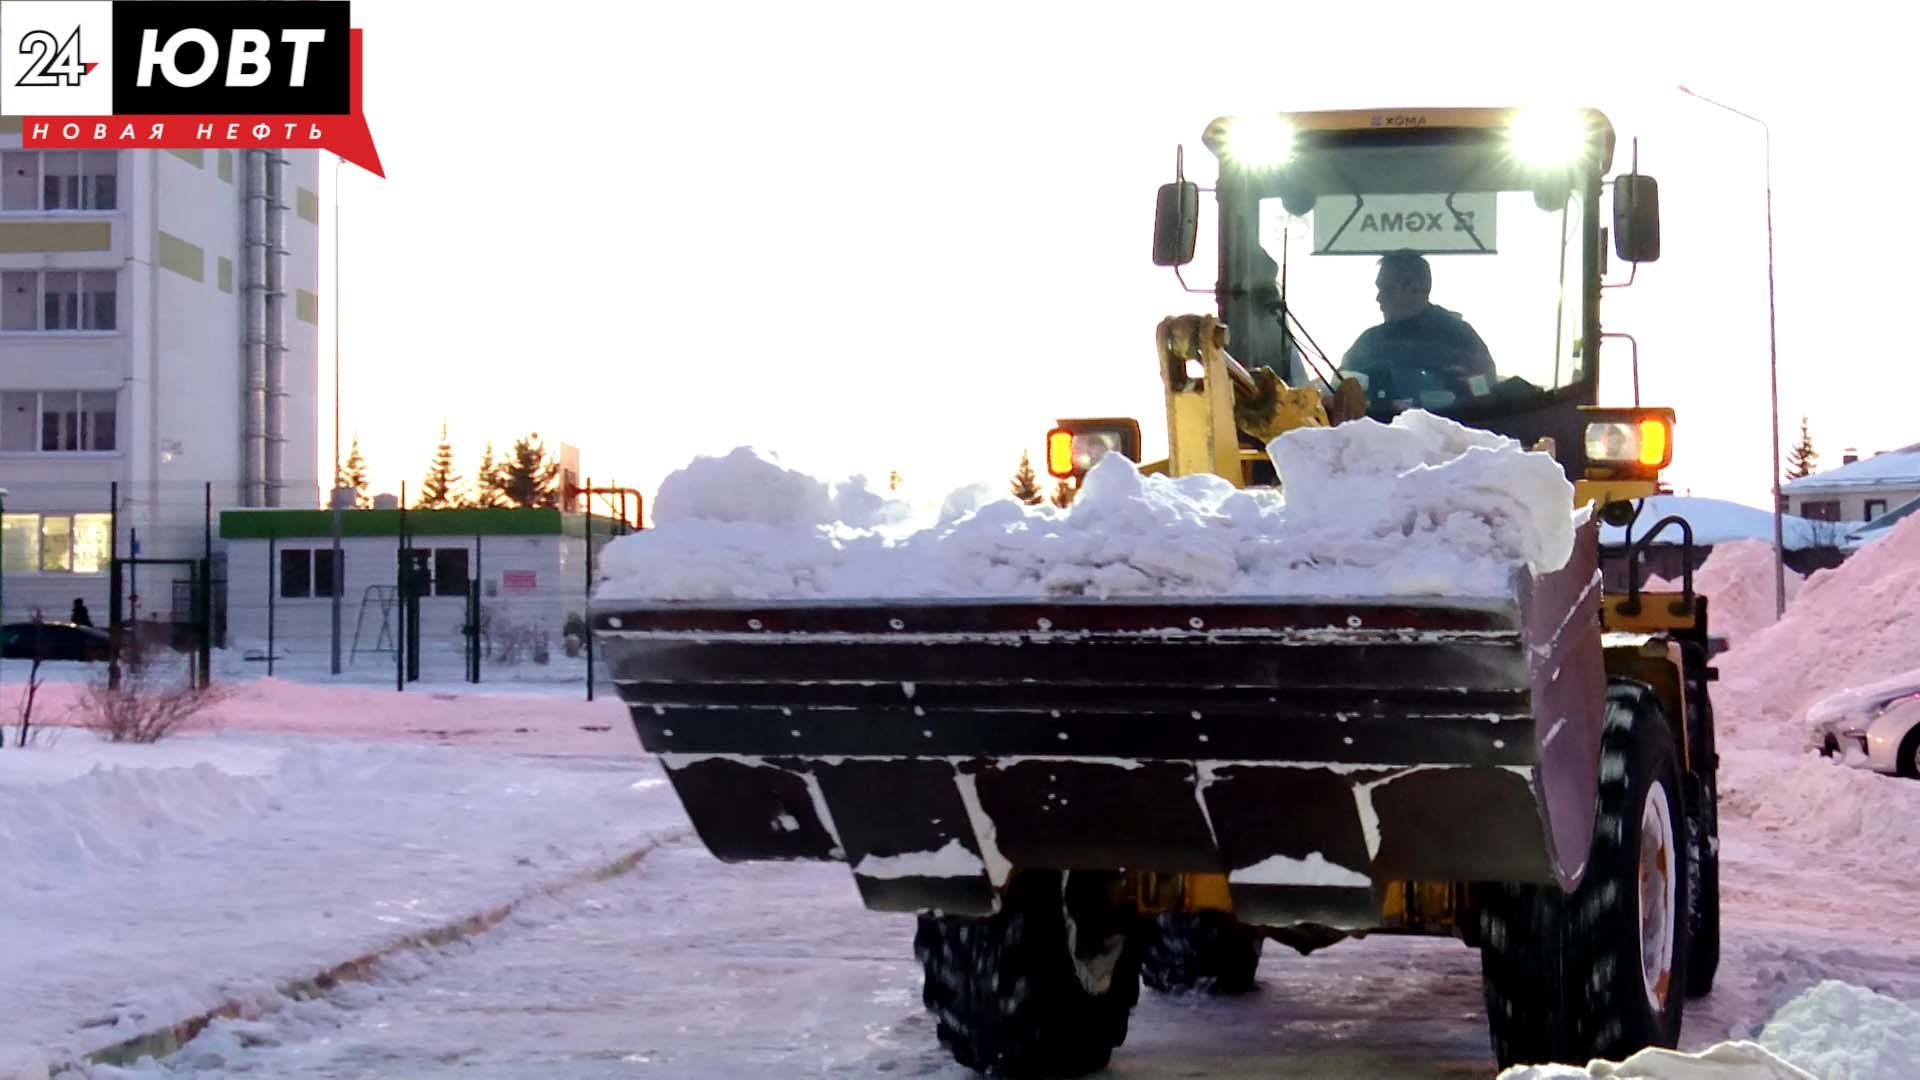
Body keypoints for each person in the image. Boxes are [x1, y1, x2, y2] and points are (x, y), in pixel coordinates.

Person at [1340, 251, 1495, 405]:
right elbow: (1340, 386)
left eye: (1387, 289)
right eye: (1379, 289)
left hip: (1446, 426)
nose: (1378, 298)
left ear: (1415, 288)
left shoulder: (1459, 337)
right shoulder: (1369, 343)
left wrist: (1460, 388)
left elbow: (1485, 387)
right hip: (1378, 427)